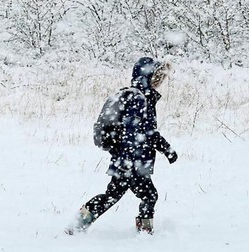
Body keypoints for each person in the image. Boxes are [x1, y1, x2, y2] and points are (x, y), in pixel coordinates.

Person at [66, 57, 178, 235]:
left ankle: (79, 222)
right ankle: (145, 233)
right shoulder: (139, 99)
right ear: (146, 77)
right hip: (133, 161)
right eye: (157, 77)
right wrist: (167, 149)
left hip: (126, 159)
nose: (160, 81)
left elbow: (139, 132)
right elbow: (144, 133)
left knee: (112, 196)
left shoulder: (136, 96)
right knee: (149, 196)